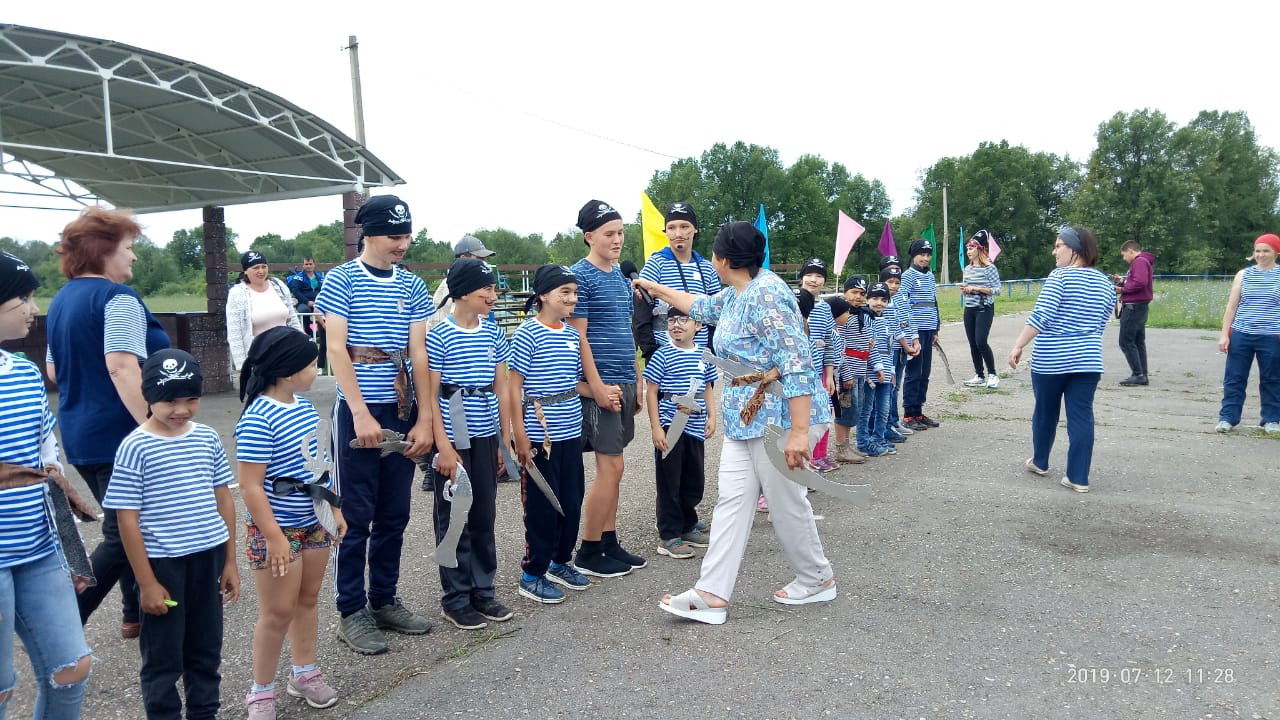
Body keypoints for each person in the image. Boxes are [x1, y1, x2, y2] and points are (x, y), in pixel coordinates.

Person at [634, 221, 835, 625]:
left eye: (714, 253)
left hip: (780, 417)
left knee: (785, 502)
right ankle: (711, 594)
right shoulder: (737, 292)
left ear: (724, 260)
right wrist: (655, 288)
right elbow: (700, 306)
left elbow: (797, 363)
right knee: (732, 500)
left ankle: (817, 578)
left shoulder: (767, 295)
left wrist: (799, 433)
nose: (711, 259)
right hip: (747, 419)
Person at [314, 195, 436, 655]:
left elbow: (419, 353)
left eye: (406, 236)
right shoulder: (342, 279)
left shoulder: (413, 285)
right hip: (358, 411)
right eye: (393, 236)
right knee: (355, 513)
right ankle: (351, 610)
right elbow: (337, 349)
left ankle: (384, 599)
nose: (402, 244)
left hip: (400, 408)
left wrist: (425, 418)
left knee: (394, 513)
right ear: (368, 234)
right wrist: (360, 411)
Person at [44, 206, 170, 639]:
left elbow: (54, 372)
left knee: (127, 527)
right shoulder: (117, 298)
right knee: (123, 534)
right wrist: (156, 427)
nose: (133, 256)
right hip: (121, 435)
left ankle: (134, 614)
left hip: (80, 434)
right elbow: (121, 367)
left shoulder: (60, 301)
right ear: (104, 251)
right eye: (129, 247)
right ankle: (63, 622)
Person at [106, 349, 240, 719]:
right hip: (164, 566)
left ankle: (204, 712)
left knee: (206, 648)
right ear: (149, 396)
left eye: (191, 399)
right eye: (169, 401)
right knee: (163, 656)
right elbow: (127, 520)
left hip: (208, 558)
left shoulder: (207, 438)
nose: (181, 409)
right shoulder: (135, 446)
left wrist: (230, 562)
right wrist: (146, 583)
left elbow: (224, 499)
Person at [0, 251, 93, 720]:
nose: (34, 309)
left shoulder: (23, 372)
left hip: (38, 548)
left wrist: (68, 550)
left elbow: (47, 463)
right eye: (24, 298)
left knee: (71, 668)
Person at [236, 326, 347, 718]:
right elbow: (250, 486)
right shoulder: (258, 417)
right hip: (276, 531)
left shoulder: (303, 407)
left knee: (308, 599)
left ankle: (304, 673)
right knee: (277, 612)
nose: (317, 369)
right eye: (312, 363)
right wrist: (273, 537)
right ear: (286, 370)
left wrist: (334, 510)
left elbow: (320, 467)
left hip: (313, 522)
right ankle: (261, 692)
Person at [426, 258, 517, 630]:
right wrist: (443, 447)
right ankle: (455, 597)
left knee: (483, 513)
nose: (493, 296)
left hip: (484, 434)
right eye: (487, 289)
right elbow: (430, 396)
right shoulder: (438, 335)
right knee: (454, 516)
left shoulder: (493, 333)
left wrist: (502, 439)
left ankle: (482, 589)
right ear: (463, 292)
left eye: (494, 289)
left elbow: (501, 387)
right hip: (452, 436)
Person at [569, 200, 646, 578]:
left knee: (617, 467)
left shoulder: (618, 276)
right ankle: (588, 549)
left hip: (624, 379)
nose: (618, 240)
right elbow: (578, 337)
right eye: (609, 234)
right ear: (589, 237)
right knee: (610, 466)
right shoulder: (579, 277)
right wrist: (595, 386)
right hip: (602, 385)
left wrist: (638, 379)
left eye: (621, 233)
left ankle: (608, 541)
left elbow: (625, 330)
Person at [1008, 226, 1116, 493]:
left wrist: (1018, 345)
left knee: (1046, 412)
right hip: (1088, 360)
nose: (1054, 252)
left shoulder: (1060, 277)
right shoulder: (1105, 282)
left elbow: (1041, 316)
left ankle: (1040, 461)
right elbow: (1104, 319)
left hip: (1052, 360)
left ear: (1074, 250)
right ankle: (1078, 477)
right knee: (1082, 416)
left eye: (1058, 246)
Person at [509, 265, 593, 604]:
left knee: (571, 500)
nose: (572, 299)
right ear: (543, 295)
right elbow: (513, 387)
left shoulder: (572, 335)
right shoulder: (527, 333)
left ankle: (560, 561)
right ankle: (532, 573)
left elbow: (575, 383)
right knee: (542, 506)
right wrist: (519, 434)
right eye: (565, 292)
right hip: (539, 435)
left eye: (575, 293)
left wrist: (604, 391)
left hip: (570, 433)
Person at [644, 306, 718, 560]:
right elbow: (652, 392)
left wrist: (712, 415)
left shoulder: (704, 354)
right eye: (671, 320)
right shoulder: (662, 355)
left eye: (683, 320)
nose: (676, 324)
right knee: (670, 482)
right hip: (671, 426)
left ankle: (687, 525)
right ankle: (669, 534)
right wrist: (656, 427)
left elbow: (708, 387)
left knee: (693, 480)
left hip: (695, 428)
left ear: (698, 325)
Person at [635, 202, 721, 358]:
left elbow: (716, 313)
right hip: (664, 356)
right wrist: (651, 351)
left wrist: (710, 349)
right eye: (671, 228)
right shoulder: (655, 264)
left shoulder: (707, 268)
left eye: (684, 226)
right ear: (665, 231)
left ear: (695, 229)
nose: (678, 233)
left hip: (701, 357)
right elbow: (641, 314)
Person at [1215, 233, 1280, 435]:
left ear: (1276, 253)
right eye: (1257, 251)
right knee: (1234, 378)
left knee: (1272, 379)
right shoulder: (1244, 274)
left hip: (1271, 336)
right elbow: (1232, 306)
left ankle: (1271, 419)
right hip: (1242, 334)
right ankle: (1228, 418)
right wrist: (1224, 334)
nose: (1261, 255)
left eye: (1266, 251)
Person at [226, 250, 303, 374]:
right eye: (256, 268)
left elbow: (292, 318)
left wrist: (303, 344)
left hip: (286, 353)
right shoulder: (237, 293)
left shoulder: (279, 285)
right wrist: (242, 367)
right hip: (259, 358)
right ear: (245, 271)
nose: (261, 271)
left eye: (264, 267)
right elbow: (235, 333)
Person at [796, 258, 838, 472]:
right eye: (809, 275)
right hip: (796, 372)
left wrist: (829, 375)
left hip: (819, 372)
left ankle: (819, 456)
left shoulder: (825, 309)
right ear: (801, 277)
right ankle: (805, 460)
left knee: (823, 412)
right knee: (801, 417)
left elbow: (829, 343)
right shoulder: (791, 302)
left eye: (819, 276)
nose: (813, 279)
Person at [899, 238, 941, 430]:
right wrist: (910, 332)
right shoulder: (907, 276)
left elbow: (934, 302)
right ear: (913, 255)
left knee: (925, 372)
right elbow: (904, 305)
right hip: (915, 331)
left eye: (928, 255)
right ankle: (909, 413)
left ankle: (918, 410)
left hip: (929, 329)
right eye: (921, 255)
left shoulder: (930, 276)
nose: (925, 258)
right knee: (914, 373)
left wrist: (936, 328)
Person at [827, 291, 868, 465]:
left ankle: (846, 445)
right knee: (844, 412)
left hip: (849, 374)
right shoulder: (832, 333)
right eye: (845, 312)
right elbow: (839, 358)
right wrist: (846, 375)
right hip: (842, 379)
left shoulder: (836, 331)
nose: (849, 315)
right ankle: (840, 448)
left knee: (852, 411)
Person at [959, 230, 1003, 389]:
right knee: (973, 344)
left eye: (971, 248)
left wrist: (976, 288)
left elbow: (997, 290)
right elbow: (967, 287)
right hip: (969, 309)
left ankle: (993, 374)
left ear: (979, 249)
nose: (968, 252)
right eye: (967, 249)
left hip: (984, 308)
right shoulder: (967, 269)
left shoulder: (990, 268)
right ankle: (979, 375)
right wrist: (965, 290)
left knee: (981, 341)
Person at [860, 282, 898, 458]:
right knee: (867, 409)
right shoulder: (865, 318)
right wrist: (876, 367)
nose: (879, 303)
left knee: (884, 409)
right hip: (870, 371)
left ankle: (879, 438)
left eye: (884, 300)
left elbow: (890, 348)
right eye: (874, 298)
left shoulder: (887, 319)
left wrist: (892, 370)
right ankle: (865, 440)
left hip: (886, 371)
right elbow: (869, 346)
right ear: (867, 299)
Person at [1111, 241, 1155, 386]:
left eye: (1124, 255)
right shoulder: (1144, 261)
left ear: (1130, 250)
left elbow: (1140, 282)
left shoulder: (1139, 262)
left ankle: (1137, 374)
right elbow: (1137, 281)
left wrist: (1122, 290)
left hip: (1133, 307)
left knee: (1125, 341)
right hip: (1140, 307)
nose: (1124, 258)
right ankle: (1142, 374)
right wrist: (1123, 281)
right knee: (1137, 341)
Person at [287, 257, 327, 372]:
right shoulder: (298, 277)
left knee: (324, 333)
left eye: (310, 264)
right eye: (306, 264)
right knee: (304, 311)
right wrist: (307, 301)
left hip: (319, 304)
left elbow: (324, 290)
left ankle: (318, 333)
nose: (308, 266)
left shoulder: (320, 277)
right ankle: (308, 332)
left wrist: (319, 302)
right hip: (304, 303)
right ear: (303, 265)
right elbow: (295, 291)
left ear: (314, 265)